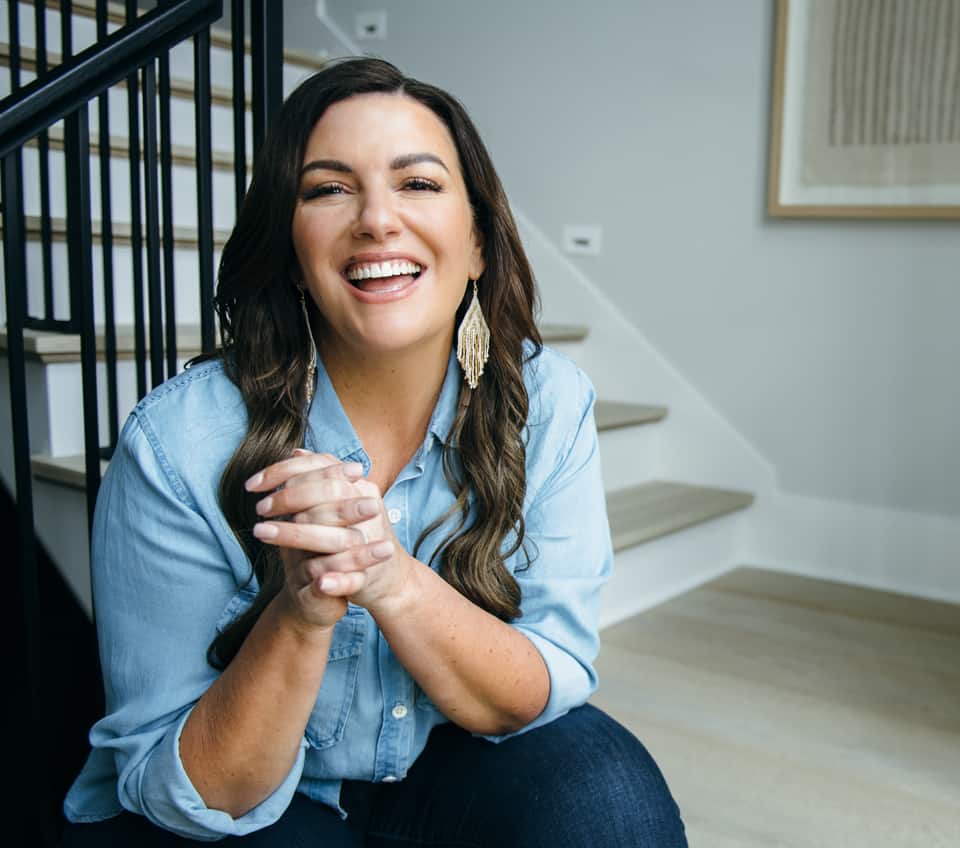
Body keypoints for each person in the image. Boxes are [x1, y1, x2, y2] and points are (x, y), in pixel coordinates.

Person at [60, 57, 688, 846]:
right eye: (329, 189)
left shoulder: (549, 403)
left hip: (444, 757)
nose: (377, 220)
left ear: (479, 245)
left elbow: (541, 679)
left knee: (609, 799)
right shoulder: (179, 441)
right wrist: (301, 608)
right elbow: (200, 792)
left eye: (418, 184)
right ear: (290, 251)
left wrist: (392, 580)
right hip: (249, 801)